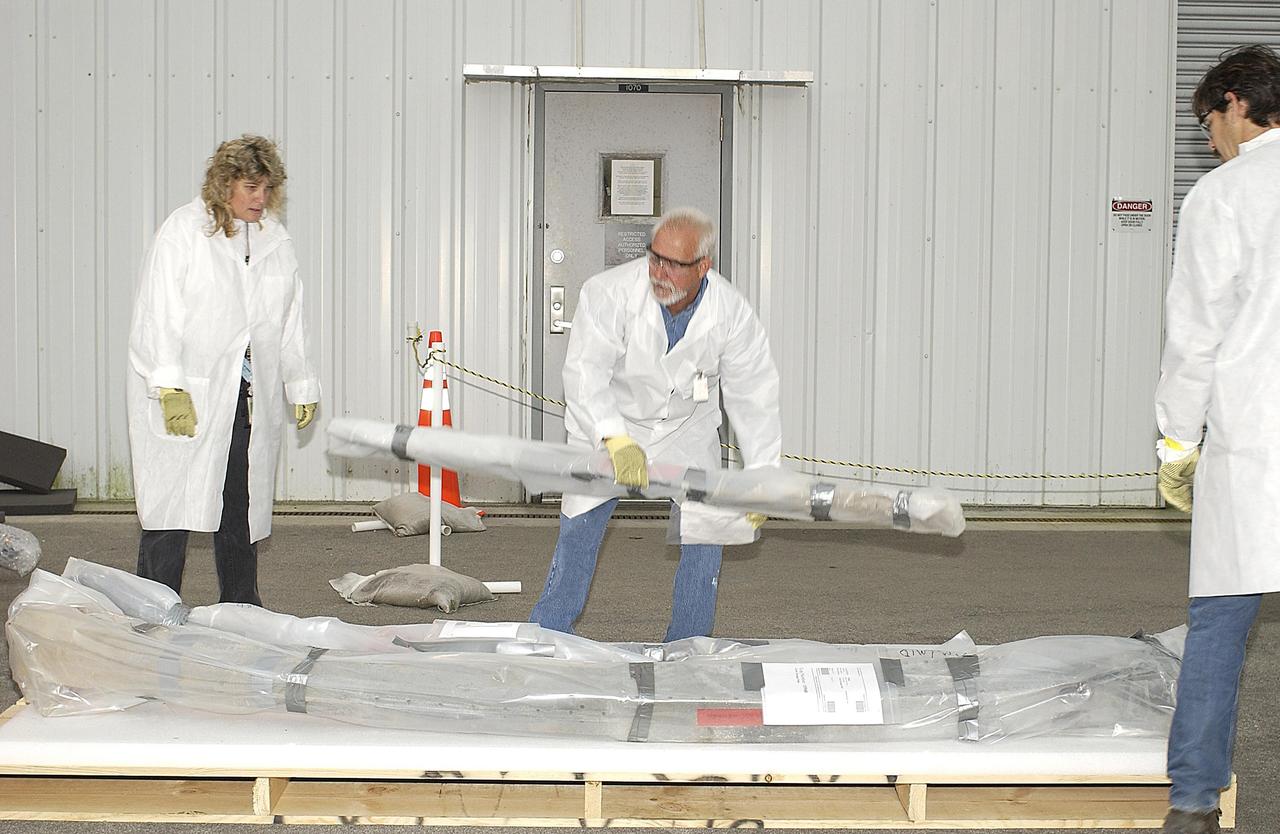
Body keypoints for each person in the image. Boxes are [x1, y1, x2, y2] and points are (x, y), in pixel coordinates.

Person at [530, 207, 781, 641]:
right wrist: (614, 437)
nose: (659, 273)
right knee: (580, 526)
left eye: (674, 264)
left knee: (707, 529)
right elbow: (586, 374)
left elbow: (753, 395)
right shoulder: (608, 293)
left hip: (687, 428)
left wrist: (762, 471)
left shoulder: (731, 313)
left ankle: (687, 644)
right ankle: (549, 635)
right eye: (654, 257)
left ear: (704, 266)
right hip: (612, 422)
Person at [1154, 44, 1280, 834]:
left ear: (1235, 103)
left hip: (1254, 441)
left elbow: (1195, 331)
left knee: (1222, 623)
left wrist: (1176, 441)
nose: (1208, 141)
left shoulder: (1225, 194)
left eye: (1208, 124)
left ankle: (1194, 804)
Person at [126, 135, 320, 605]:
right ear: (224, 184)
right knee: (172, 505)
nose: (261, 198)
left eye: (267, 187)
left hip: (245, 397)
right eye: (252, 187)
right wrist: (168, 384)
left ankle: (241, 608)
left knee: (240, 504)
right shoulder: (185, 231)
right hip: (191, 392)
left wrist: (299, 380)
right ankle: (153, 610)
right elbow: (159, 312)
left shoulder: (274, 239)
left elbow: (288, 319)